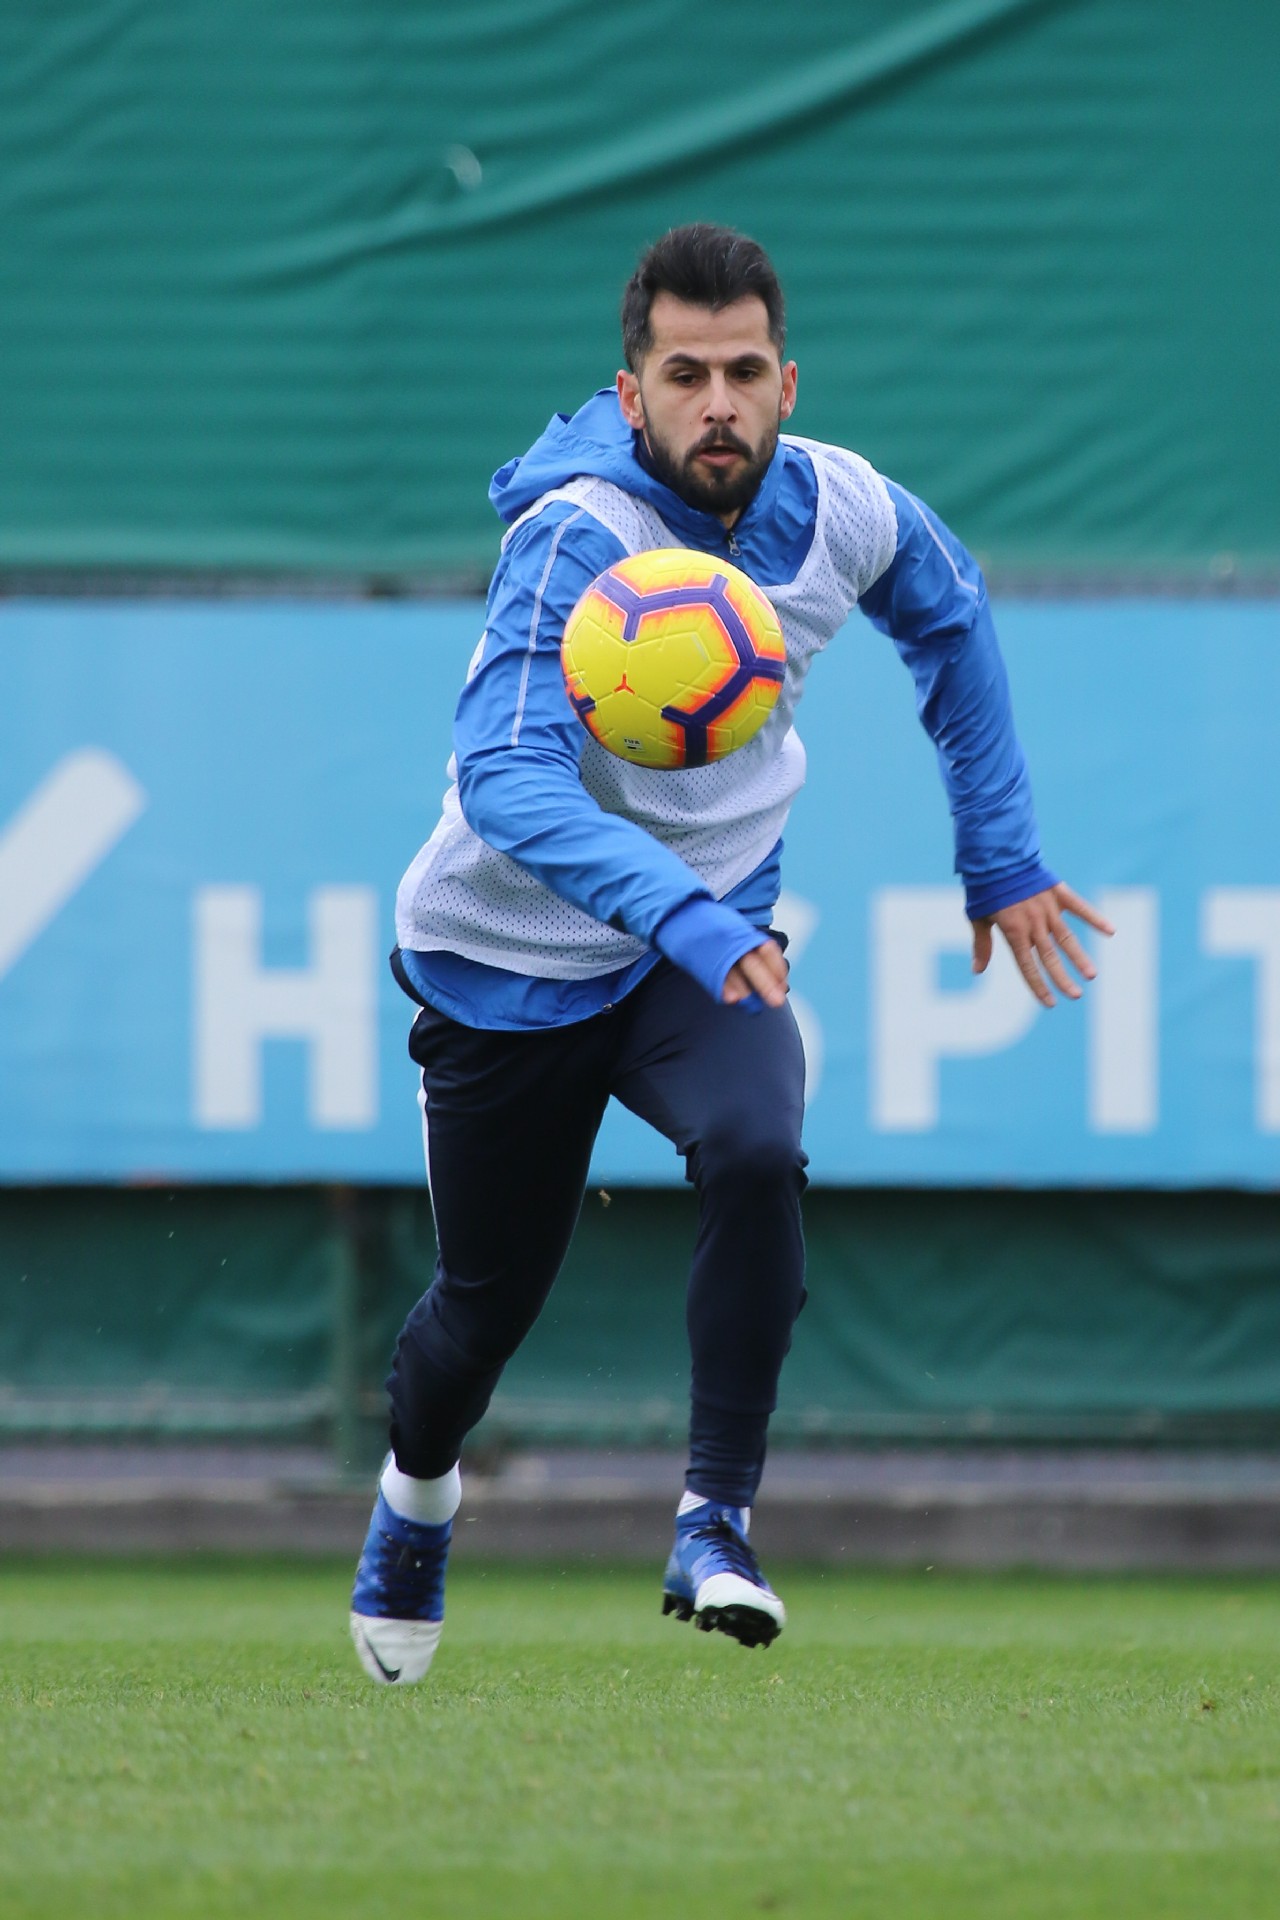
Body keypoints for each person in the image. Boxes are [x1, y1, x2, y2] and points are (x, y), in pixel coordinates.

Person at [349, 223, 1112, 1685]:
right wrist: (681, 909)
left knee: (759, 1147)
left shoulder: (842, 509)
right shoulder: (575, 536)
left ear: (787, 383)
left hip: (702, 956)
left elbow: (953, 620)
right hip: (508, 957)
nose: (719, 404)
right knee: (484, 1310)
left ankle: (716, 1520)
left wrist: (1002, 857)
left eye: (745, 372)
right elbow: (505, 778)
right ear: (631, 393)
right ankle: (417, 1497)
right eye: (685, 374)